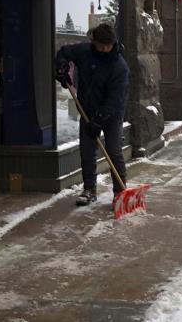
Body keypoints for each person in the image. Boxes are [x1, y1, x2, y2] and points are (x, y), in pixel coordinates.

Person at [55, 23, 130, 207]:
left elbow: (115, 99)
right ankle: (89, 189)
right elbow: (63, 53)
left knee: (113, 151)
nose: (105, 49)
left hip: (111, 115)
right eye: (101, 45)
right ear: (94, 42)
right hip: (87, 109)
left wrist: (99, 119)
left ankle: (120, 193)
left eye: (108, 45)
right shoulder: (85, 52)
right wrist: (61, 69)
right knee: (87, 152)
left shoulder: (119, 66)